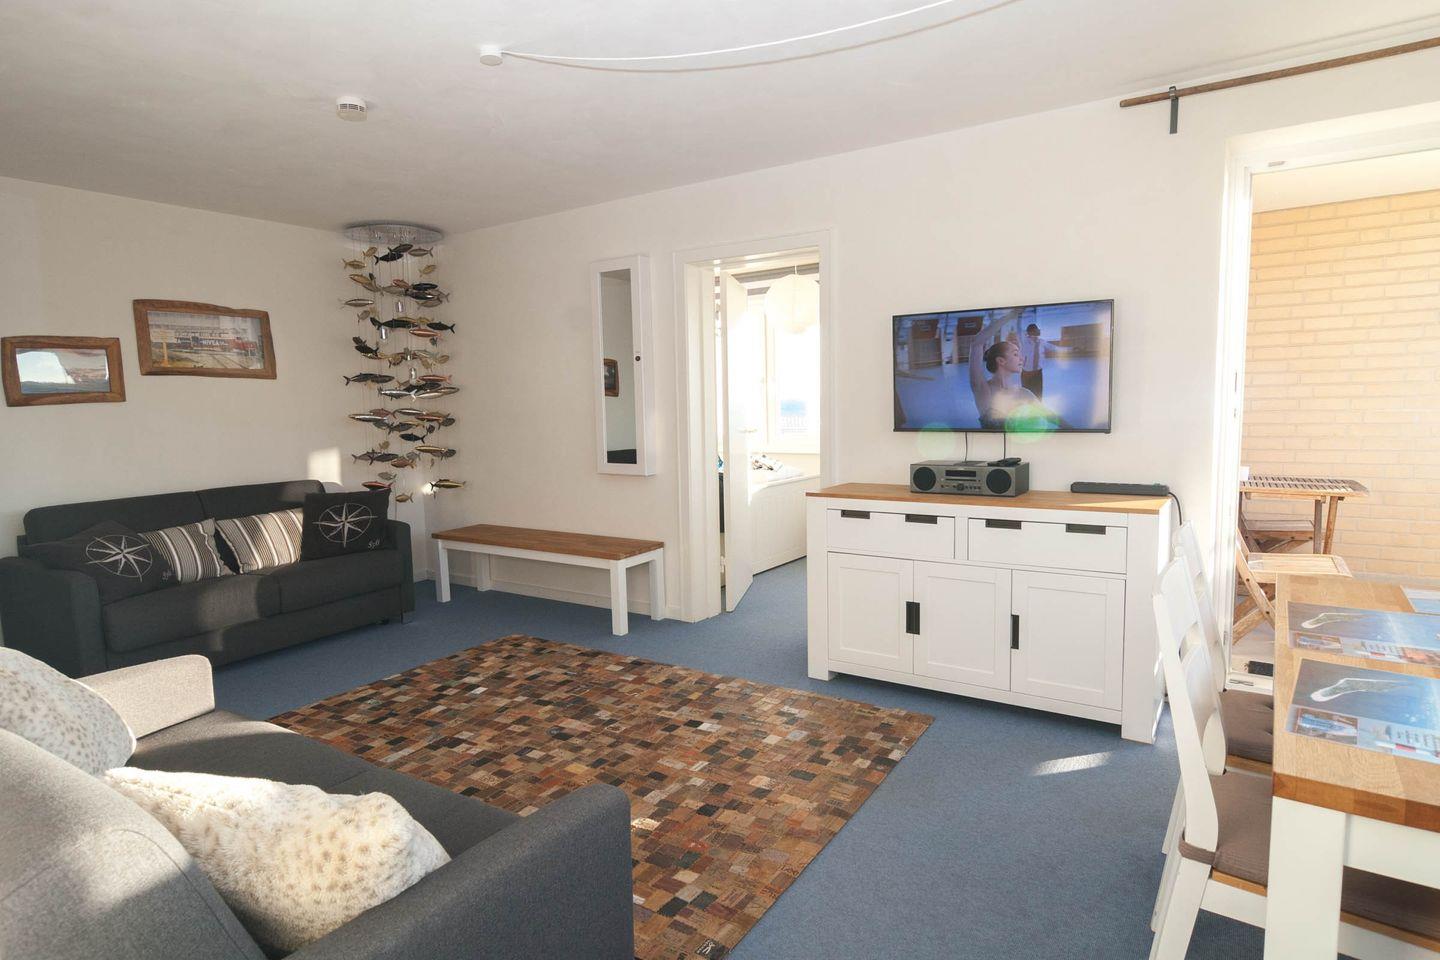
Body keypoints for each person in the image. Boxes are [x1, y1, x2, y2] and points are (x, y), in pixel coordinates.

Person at [967, 311, 1048, 430]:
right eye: (1015, 354)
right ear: (1001, 360)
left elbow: (1049, 416)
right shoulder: (983, 390)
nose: (1022, 358)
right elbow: (976, 344)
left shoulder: (1024, 393)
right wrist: (1010, 316)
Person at [1020, 322, 1061, 399]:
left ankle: (1038, 405)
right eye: (1036, 329)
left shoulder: (1042, 342)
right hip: (1026, 373)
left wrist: (1071, 349)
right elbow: (1019, 355)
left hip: (1038, 373)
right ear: (1031, 332)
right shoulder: (1023, 343)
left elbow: (1055, 348)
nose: (1039, 331)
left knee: (1038, 394)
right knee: (1027, 395)